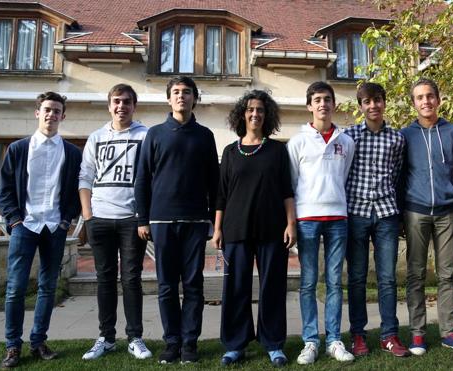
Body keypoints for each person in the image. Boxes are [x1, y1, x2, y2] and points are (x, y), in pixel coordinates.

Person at [134, 76, 219, 364]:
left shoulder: (205, 135)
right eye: (176, 92)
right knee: (167, 286)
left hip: (195, 222)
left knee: (193, 284)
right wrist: (142, 218)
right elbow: (142, 178)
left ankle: (190, 343)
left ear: (195, 98)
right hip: (161, 222)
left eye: (186, 92)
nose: (181, 96)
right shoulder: (155, 134)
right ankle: (172, 343)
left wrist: (212, 221)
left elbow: (214, 182)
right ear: (169, 99)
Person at [211, 90, 297, 367]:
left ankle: (273, 344)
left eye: (260, 110)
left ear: (267, 114)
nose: (255, 114)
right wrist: (217, 229)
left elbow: (287, 191)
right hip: (236, 230)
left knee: (272, 287)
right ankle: (235, 345)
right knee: (235, 289)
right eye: (250, 109)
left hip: (272, 229)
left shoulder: (276, 150)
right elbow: (221, 195)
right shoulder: (230, 152)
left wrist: (290, 224)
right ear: (242, 114)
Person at [0, 92, 82, 368]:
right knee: (16, 288)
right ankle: (12, 346)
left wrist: (66, 220)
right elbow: (6, 190)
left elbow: (74, 192)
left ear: (63, 116)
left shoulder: (72, 153)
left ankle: (38, 342)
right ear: (37, 113)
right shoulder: (18, 149)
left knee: (48, 288)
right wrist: (14, 220)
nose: (51, 115)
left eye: (57, 111)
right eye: (47, 109)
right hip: (25, 226)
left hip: (54, 227)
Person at [400, 78, 453, 356]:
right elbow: (399, 177)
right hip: (415, 211)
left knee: (448, 274)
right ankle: (417, 334)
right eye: (419, 97)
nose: (426, 101)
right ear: (414, 103)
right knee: (415, 275)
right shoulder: (405, 135)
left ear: (438, 99)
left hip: (448, 213)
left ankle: (449, 332)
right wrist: (399, 215)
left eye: (430, 96)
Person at [78, 84, 151, 360]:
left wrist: (143, 216)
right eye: (117, 101)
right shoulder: (96, 137)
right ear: (109, 105)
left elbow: (151, 179)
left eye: (127, 102)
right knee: (104, 279)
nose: (121, 106)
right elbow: (85, 177)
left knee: (131, 279)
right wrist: (88, 216)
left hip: (132, 220)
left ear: (134, 106)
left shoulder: (146, 136)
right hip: (100, 219)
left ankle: (135, 337)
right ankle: (106, 337)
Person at [287, 81, 355, 365]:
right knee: (308, 282)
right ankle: (311, 341)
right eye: (317, 100)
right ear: (309, 106)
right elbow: (291, 183)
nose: (323, 104)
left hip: (338, 218)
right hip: (307, 220)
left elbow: (345, 177)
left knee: (335, 282)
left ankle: (334, 340)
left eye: (327, 99)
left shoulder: (346, 141)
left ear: (334, 105)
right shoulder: (297, 141)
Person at [343, 82, 409, 357]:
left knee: (387, 278)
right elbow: (343, 173)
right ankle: (358, 335)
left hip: (386, 214)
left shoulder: (397, 138)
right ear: (360, 106)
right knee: (357, 278)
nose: (373, 106)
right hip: (356, 212)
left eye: (378, 100)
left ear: (384, 103)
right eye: (367, 101)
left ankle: (389, 335)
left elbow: (398, 174)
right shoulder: (349, 136)